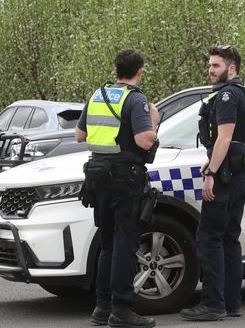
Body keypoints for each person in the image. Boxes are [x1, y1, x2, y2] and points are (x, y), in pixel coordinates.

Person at [75, 49, 159, 328]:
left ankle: (102, 307)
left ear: (116, 70)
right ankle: (121, 309)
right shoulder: (136, 99)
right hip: (126, 181)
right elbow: (145, 140)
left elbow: (80, 135)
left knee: (108, 243)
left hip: (99, 179)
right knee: (125, 244)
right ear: (140, 71)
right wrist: (154, 122)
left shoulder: (97, 95)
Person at [180, 45, 245, 321]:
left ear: (231, 68)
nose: (210, 70)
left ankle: (213, 303)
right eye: (210, 65)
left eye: (216, 65)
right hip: (239, 171)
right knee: (229, 238)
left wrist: (212, 173)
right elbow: (237, 140)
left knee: (210, 237)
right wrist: (214, 162)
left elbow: (224, 138)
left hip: (226, 175)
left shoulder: (226, 95)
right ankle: (231, 303)